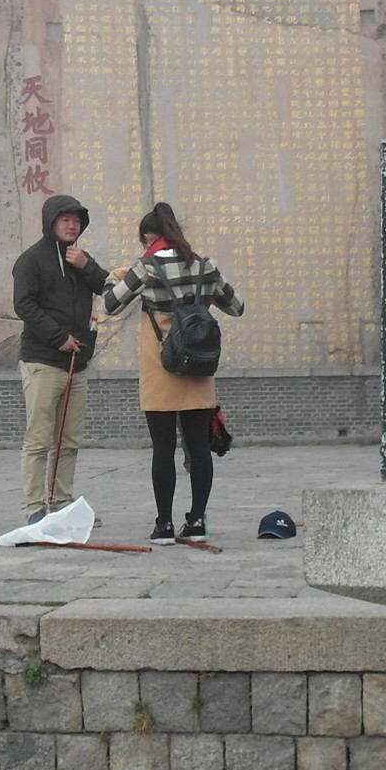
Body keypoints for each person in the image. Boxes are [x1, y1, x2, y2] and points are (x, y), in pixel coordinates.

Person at [103, 201, 245, 543]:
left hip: (160, 368)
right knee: (198, 446)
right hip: (197, 366)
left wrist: (115, 277)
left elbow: (110, 304)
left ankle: (164, 525)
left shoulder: (147, 268)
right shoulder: (205, 266)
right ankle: (196, 523)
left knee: (162, 448)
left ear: (151, 235)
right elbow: (236, 307)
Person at [11, 193, 110, 522]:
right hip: (43, 362)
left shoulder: (79, 258)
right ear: (50, 222)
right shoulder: (31, 261)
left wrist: (87, 265)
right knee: (39, 439)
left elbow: (109, 288)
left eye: (77, 220)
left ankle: (62, 502)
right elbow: (24, 305)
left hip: (76, 365)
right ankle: (35, 507)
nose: (72, 225)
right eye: (65, 219)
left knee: (69, 440)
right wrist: (58, 337)